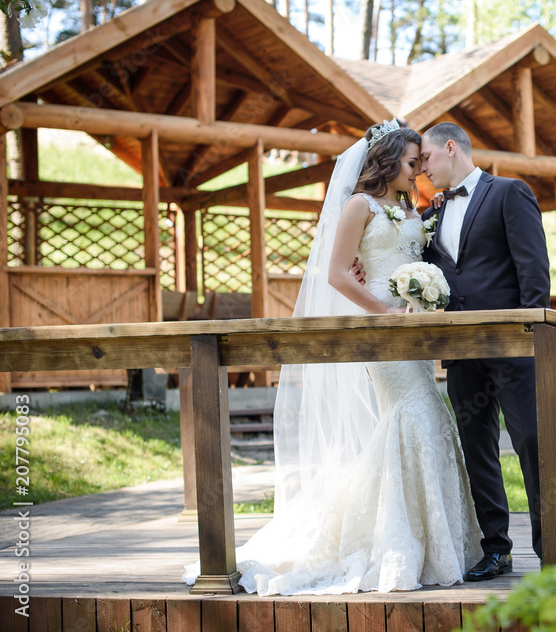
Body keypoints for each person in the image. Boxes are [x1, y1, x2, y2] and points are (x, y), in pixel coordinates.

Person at [183, 120, 482, 595]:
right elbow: (338, 274)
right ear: (386, 162)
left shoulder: (409, 207)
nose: (418, 171)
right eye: (410, 163)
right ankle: (393, 541)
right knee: (414, 416)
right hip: (382, 334)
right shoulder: (358, 206)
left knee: (427, 415)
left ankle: (430, 541)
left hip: (413, 333)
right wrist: (383, 310)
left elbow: (417, 256)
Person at [420, 122, 550, 581]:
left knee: (534, 444)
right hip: (461, 350)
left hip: (513, 347)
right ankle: (496, 549)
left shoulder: (508, 193)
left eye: (427, 159)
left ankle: (553, 551)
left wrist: (532, 337)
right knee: (477, 449)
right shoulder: (431, 211)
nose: (422, 170)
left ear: (450, 149)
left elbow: (534, 271)